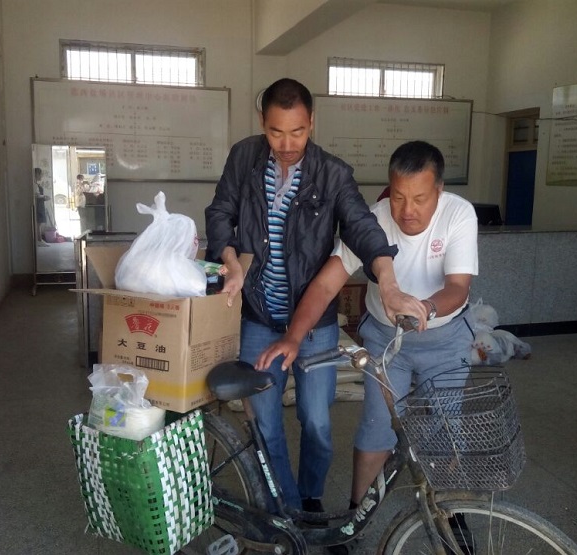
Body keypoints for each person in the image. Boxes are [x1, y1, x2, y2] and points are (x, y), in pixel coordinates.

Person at [204, 78, 415, 514]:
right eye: (276, 132)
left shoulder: (332, 174)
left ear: (312, 122)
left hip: (315, 326)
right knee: (264, 422)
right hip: (258, 317)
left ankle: (311, 496)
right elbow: (221, 210)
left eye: (297, 132)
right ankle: (286, 508)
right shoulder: (244, 157)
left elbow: (362, 227)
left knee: (317, 420)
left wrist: (388, 281)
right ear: (262, 122)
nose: (287, 144)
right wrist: (230, 258)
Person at [256, 140, 478, 549]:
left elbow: (458, 287)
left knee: (446, 429)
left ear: (439, 191)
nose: (407, 210)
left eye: (420, 199)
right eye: (399, 197)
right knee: (376, 427)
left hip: (445, 339)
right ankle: (356, 515)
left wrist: (425, 308)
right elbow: (326, 284)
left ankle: (451, 512)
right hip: (387, 339)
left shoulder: (459, 214)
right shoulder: (372, 220)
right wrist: (294, 336)